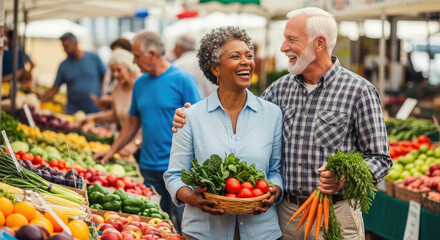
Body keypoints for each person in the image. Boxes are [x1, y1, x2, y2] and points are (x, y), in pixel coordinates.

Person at [172, 7, 392, 240]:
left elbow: (380, 159)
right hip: (286, 215)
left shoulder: (359, 91)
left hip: (335, 212)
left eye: (291, 40)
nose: (283, 47)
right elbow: (240, 116)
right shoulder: (278, 90)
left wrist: (345, 178)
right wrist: (189, 116)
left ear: (319, 43)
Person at [164, 26, 283, 240]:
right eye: (235, 56)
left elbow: (275, 170)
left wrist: (274, 193)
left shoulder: (272, 114)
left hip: (261, 232)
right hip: (204, 231)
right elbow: (174, 175)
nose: (246, 61)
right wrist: (192, 198)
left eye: (249, 55)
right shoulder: (191, 117)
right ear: (215, 69)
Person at [94, 30, 201, 233]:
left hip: (179, 170)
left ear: (152, 53)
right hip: (149, 169)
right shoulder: (140, 84)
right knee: (156, 228)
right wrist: (111, 151)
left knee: (184, 227)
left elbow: (199, 122)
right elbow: (132, 124)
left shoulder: (182, 79)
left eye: (137, 55)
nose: (134, 61)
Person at [80, 49, 142, 158]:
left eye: (119, 70)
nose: (115, 75)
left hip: (141, 144)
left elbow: (146, 122)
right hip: (125, 143)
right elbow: (116, 115)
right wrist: (93, 117)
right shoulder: (117, 87)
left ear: (129, 66)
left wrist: (135, 143)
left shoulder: (141, 84)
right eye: (113, 71)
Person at [40, 32, 106, 114]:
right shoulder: (63, 66)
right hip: (73, 112)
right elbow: (55, 89)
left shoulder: (94, 58)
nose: (64, 50)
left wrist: (104, 96)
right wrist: (40, 101)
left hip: (95, 110)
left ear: (75, 44)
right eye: (63, 47)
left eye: (67, 46)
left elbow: (106, 78)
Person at [95, 37, 133, 111]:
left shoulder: (136, 79)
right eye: (114, 53)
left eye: (119, 53)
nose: (115, 56)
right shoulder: (110, 72)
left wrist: (111, 99)